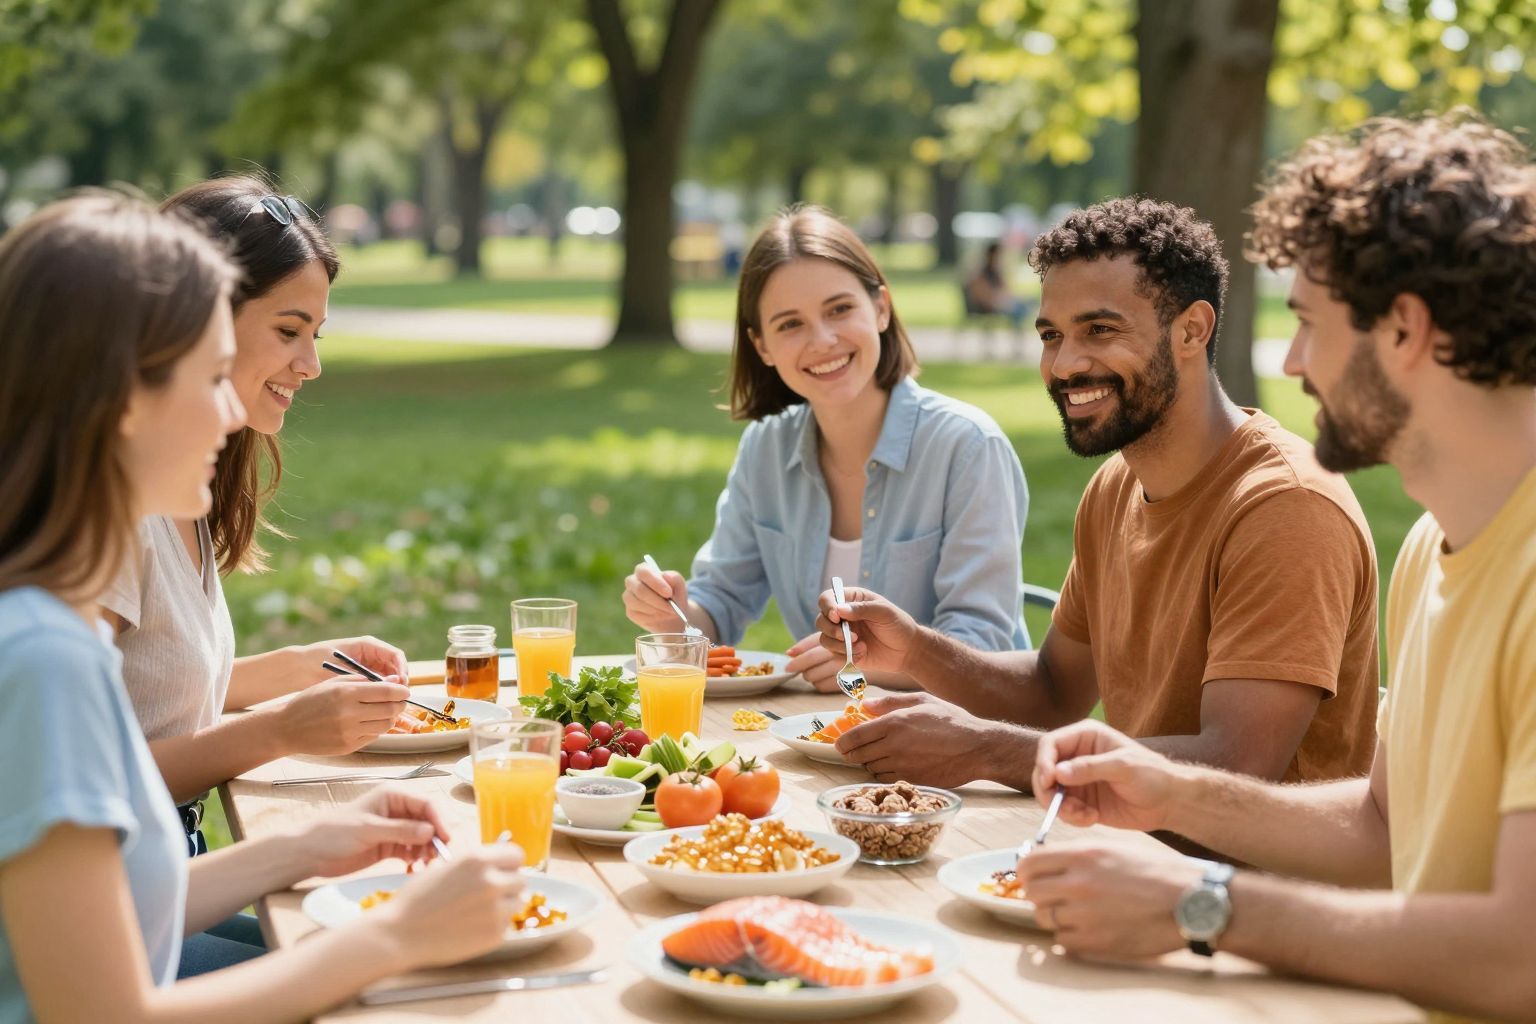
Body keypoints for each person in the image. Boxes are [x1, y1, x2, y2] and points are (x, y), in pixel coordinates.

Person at [1013, 112, 1536, 1024]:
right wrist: (1170, 790)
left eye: (1306, 323)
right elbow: (1382, 833)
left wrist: (1198, 905)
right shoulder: (1433, 544)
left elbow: (1517, 960)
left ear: (1404, 330)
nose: (1292, 362)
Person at [0, 193, 525, 1021]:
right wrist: (392, 940)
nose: (230, 412)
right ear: (122, 394)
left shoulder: (52, 631)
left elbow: (127, 906)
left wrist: (310, 844)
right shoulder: (45, 656)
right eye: (213, 376)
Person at [815, 198, 1378, 789]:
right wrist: (915, 654)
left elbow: (1236, 766)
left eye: (1100, 330)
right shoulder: (1117, 485)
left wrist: (990, 751)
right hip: (1122, 847)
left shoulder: (1285, 507)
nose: (1063, 365)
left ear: (1192, 330)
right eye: (1051, 335)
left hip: (1241, 875)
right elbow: (1054, 691)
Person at [100, 177, 411, 851]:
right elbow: (81, 782)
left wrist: (304, 666)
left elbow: (150, 697)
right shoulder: (112, 510)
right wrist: (279, 733)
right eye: (289, 330)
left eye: (317, 333)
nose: (313, 365)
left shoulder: (181, 485)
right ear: (194, 319)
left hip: (164, 873)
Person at [623, 205, 1029, 691]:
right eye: (790, 324)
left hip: (961, 745)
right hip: (825, 733)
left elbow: (984, 643)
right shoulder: (767, 449)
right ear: (763, 346)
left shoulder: (967, 447)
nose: (823, 340)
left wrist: (874, 663)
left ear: (880, 308)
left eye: (840, 309)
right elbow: (721, 606)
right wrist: (674, 615)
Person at [964, 239, 1032, 332]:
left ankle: (1018, 332)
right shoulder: (981, 273)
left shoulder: (995, 272)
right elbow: (982, 295)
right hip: (988, 305)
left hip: (999, 302)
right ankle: (1018, 333)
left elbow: (1005, 289)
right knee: (1018, 309)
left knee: (1025, 304)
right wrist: (998, 300)